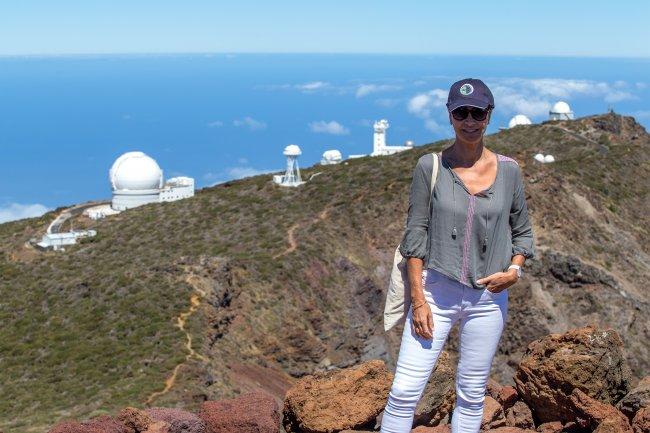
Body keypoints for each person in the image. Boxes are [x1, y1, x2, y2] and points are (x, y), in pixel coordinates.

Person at [380, 78, 535, 433]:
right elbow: (414, 233)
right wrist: (418, 299)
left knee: (471, 394)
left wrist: (514, 271)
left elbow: (523, 232)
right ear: (449, 116)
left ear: (489, 115)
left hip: (488, 298)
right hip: (435, 293)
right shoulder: (429, 166)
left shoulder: (509, 170)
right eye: (461, 112)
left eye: (477, 112)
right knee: (404, 391)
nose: (469, 120)